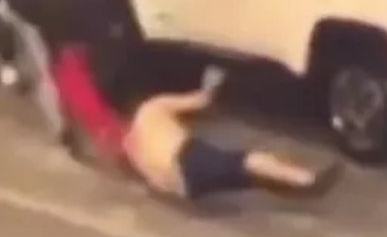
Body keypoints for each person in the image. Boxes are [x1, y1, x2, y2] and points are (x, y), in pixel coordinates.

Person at [53, 47, 342, 202]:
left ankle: (286, 185)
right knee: (252, 159)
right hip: (187, 159)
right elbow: (201, 101)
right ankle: (309, 182)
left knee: (246, 174)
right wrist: (215, 79)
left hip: (181, 188)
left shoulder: (129, 143)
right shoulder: (153, 107)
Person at [0, 0, 139, 149]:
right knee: (51, 69)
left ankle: (74, 119)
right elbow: (61, 38)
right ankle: (62, 127)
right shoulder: (77, 5)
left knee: (81, 61)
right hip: (26, 3)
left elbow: (128, 31)